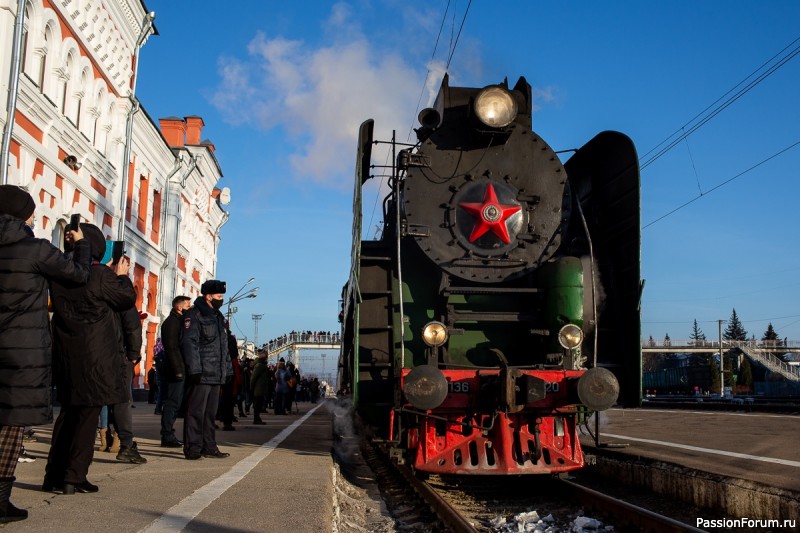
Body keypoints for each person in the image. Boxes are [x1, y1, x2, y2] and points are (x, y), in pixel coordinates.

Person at [0, 185, 90, 520]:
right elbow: (78, 276)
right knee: (10, 426)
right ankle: (0, 500)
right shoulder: (34, 249)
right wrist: (80, 244)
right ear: (22, 214)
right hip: (20, 352)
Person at [45, 223, 138, 495]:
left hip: (67, 355)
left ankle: (53, 475)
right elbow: (126, 298)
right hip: (96, 359)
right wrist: (121, 275)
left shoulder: (61, 273)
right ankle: (73, 477)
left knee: (67, 418)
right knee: (87, 419)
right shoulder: (99, 275)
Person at [180, 280, 232, 460]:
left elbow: (223, 347)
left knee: (210, 414)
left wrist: (228, 370)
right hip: (201, 374)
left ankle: (209, 446)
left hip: (216, 375)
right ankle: (193, 448)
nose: (221, 300)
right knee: (196, 412)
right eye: (219, 297)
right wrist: (194, 370)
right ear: (208, 296)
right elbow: (189, 343)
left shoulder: (218, 317)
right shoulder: (194, 315)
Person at [159, 296, 191, 447]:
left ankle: (169, 433)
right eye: (187, 305)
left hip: (178, 367)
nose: (189, 308)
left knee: (175, 403)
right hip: (174, 369)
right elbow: (172, 348)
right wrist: (178, 370)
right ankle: (167, 435)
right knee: (172, 403)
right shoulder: (172, 323)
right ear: (179, 307)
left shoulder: (177, 321)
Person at [250, 351, 269, 424]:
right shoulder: (259, 365)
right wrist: (251, 387)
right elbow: (253, 377)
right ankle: (256, 419)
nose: (267, 355)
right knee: (257, 404)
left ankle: (257, 418)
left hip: (260, 388)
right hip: (258, 388)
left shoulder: (261, 364)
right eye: (265, 354)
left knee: (258, 404)